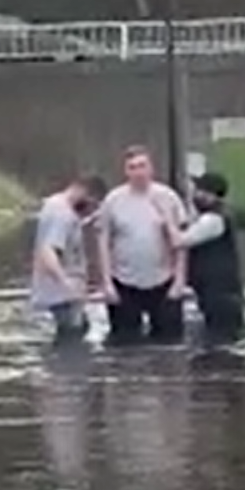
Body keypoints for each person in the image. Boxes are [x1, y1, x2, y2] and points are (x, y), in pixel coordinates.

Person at [97, 145, 187, 344]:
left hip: (164, 280)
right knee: (124, 343)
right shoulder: (113, 200)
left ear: (151, 168)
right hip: (124, 281)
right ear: (125, 171)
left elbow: (181, 242)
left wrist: (180, 280)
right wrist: (107, 283)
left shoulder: (168, 197)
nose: (138, 172)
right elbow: (103, 241)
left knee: (170, 343)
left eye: (142, 166)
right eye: (132, 167)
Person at [154, 172, 245, 345]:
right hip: (217, 294)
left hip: (220, 297)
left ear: (211, 195)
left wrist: (167, 217)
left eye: (198, 191)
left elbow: (179, 241)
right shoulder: (212, 217)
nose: (194, 195)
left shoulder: (214, 220)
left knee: (219, 343)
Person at [31, 174, 107, 342]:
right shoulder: (62, 214)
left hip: (60, 294)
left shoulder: (54, 205)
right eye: (93, 204)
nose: (91, 209)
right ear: (84, 193)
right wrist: (67, 284)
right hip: (64, 297)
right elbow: (48, 252)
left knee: (78, 332)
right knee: (72, 343)